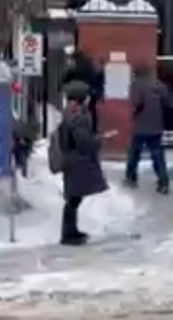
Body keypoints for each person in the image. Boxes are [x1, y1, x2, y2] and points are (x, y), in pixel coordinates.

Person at [59, 81, 109, 246]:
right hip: (77, 160)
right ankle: (69, 234)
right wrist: (98, 140)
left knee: (74, 197)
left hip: (72, 159)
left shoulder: (71, 112)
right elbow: (83, 141)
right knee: (74, 198)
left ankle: (71, 231)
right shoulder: (77, 115)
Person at [125, 65, 173, 194]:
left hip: (141, 124)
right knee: (158, 155)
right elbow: (169, 102)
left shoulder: (136, 85)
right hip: (156, 124)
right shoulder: (158, 85)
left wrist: (133, 112)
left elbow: (136, 103)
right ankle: (163, 181)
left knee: (134, 153)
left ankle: (131, 176)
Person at [63, 50, 104, 133]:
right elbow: (93, 78)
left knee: (71, 107)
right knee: (91, 108)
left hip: (75, 91)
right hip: (88, 90)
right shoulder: (89, 67)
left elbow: (67, 78)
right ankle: (93, 128)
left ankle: (71, 126)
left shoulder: (74, 67)